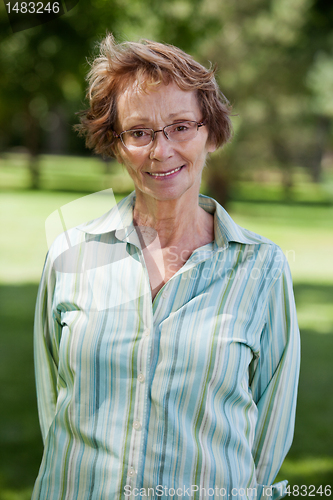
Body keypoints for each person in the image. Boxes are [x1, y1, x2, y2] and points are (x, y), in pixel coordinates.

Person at [32, 34, 300, 500]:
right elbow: (53, 405)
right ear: (115, 144)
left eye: (181, 127)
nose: (161, 151)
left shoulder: (263, 268)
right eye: (138, 132)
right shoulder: (70, 254)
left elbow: (268, 437)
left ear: (210, 133)